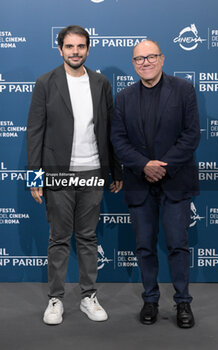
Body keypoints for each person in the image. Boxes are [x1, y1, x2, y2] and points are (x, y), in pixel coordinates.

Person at [27, 25, 122, 325]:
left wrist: (115, 170)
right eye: (70, 47)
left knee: (88, 237)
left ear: (88, 49)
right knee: (58, 239)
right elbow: (35, 132)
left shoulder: (101, 82)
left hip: (93, 172)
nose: (75, 51)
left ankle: (88, 296)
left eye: (81, 46)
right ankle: (55, 299)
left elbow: (110, 130)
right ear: (60, 49)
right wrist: (34, 177)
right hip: (57, 173)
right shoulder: (46, 82)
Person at [111, 40, 200, 328]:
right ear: (133, 63)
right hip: (139, 182)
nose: (145, 62)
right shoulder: (123, 97)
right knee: (144, 246)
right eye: (139, 59)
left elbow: (190, 136)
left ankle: (183, 303)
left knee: (177, 245)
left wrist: (162, 166)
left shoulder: (184, 90)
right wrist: (143, 165)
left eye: (151, 57)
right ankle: (150, 300)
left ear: (162, 58)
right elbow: (118, 140)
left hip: (175, 180)